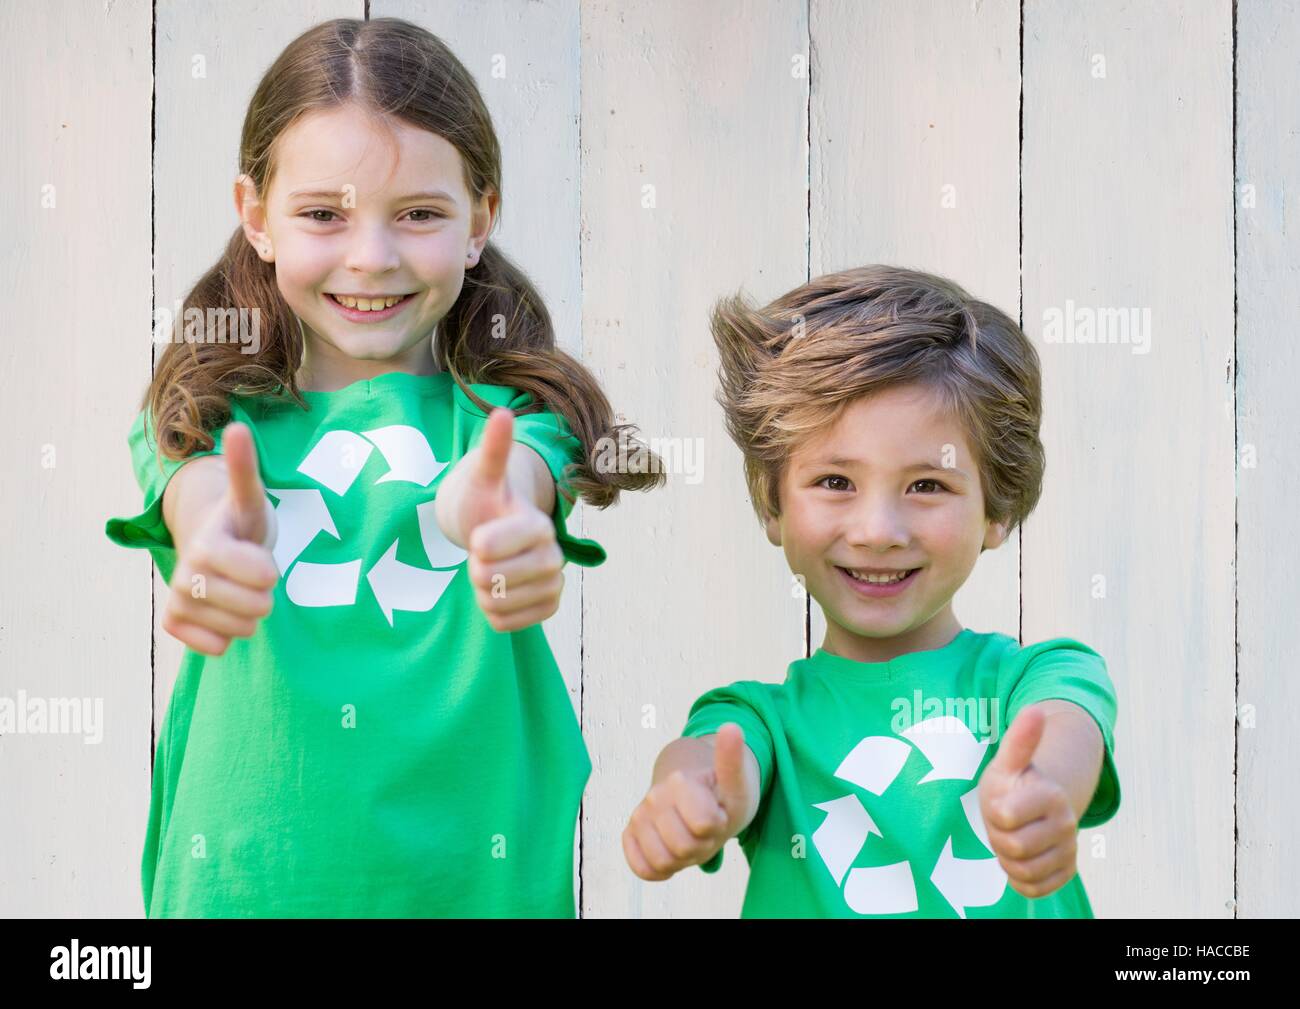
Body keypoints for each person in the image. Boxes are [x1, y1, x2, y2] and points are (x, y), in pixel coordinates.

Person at [104, 17, 661, 918]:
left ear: (480, 220)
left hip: (474, 888)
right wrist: (215, 545)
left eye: (420, 214)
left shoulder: (513, 420)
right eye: (324, 213)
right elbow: (203, 502)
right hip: (241, 889)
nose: (372, 256)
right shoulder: (202, 418)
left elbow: (513, 478)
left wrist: (499, 514)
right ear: (258, 218)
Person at [623, 265, 1121, 917]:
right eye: (834, 481)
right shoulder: (763, 720)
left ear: (996, 508)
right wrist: (690, 793)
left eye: (926, 485)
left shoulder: (1038, 677)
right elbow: (713, 761)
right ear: (771, 504)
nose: (877, 530)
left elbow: (1067, 729)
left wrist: (1046, 788)